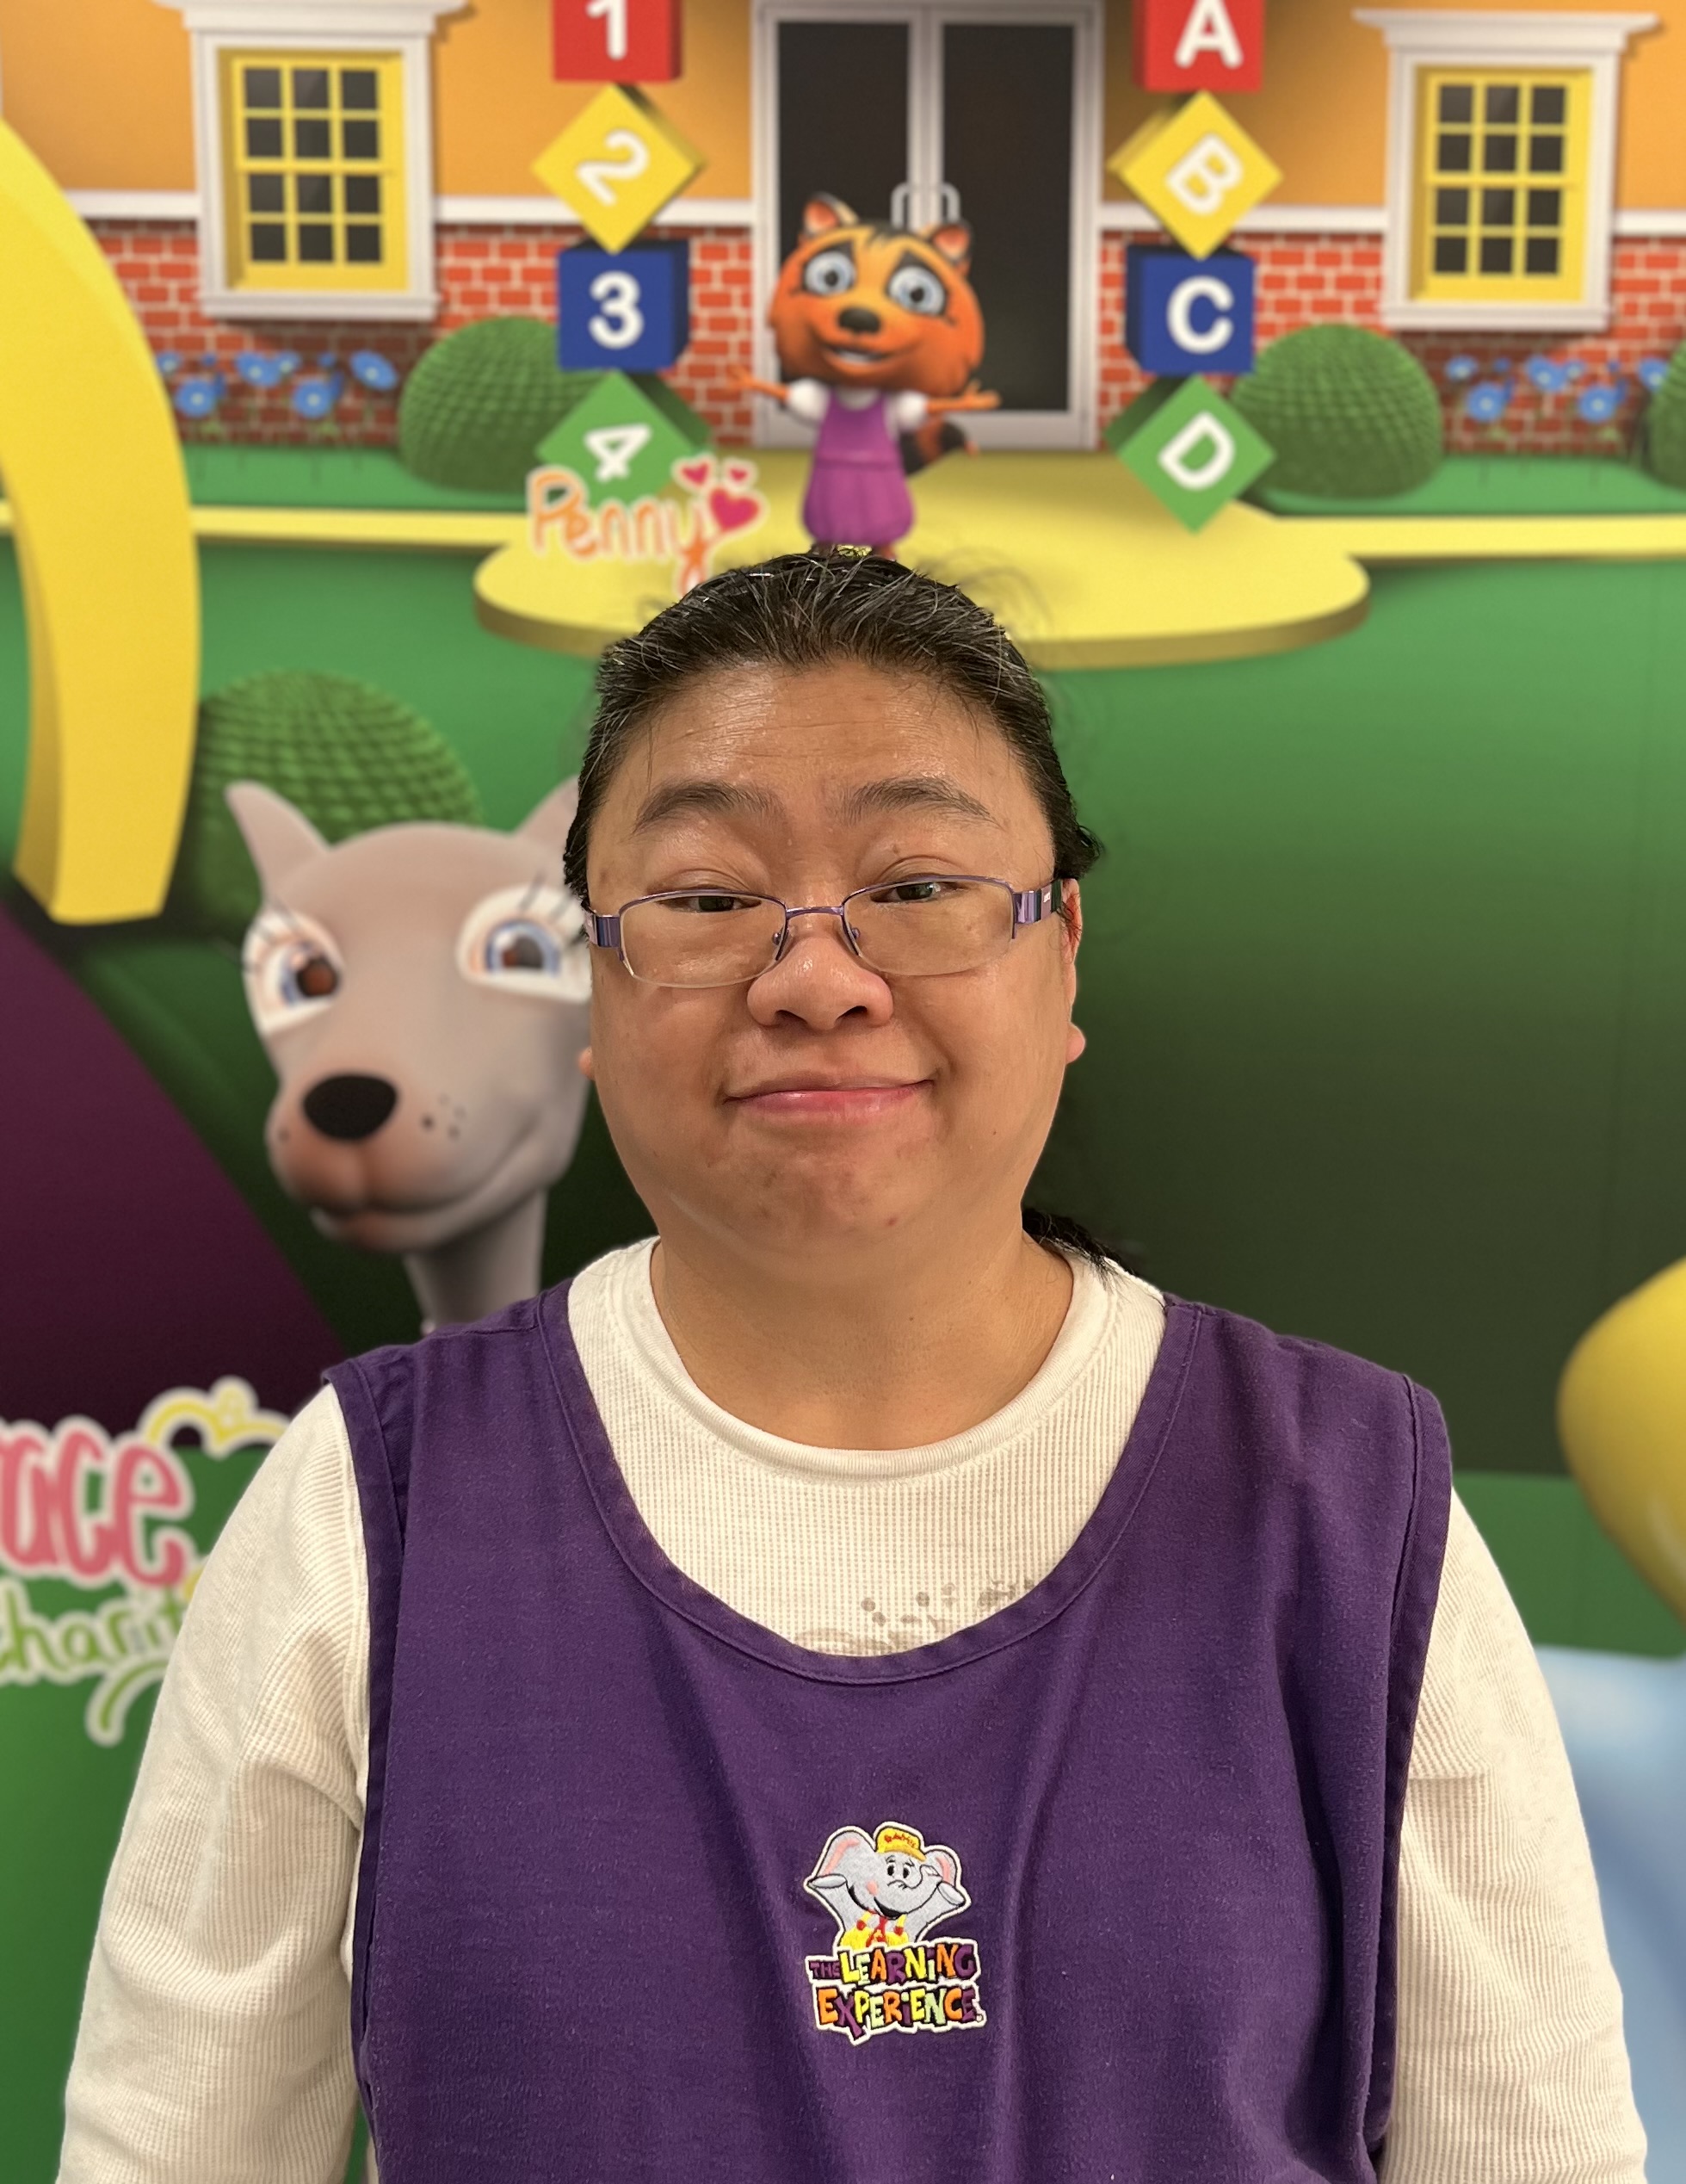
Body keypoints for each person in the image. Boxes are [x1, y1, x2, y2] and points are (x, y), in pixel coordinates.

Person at [60, 553, 1644, 2183]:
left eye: (917, 884)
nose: (816, 977)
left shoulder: (1349, 1513)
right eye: (704, 899)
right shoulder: (372, 1505)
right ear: (593, 981)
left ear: (1062, 953)